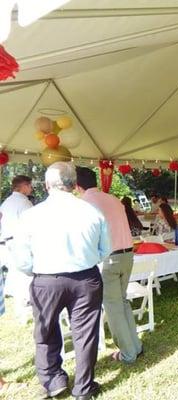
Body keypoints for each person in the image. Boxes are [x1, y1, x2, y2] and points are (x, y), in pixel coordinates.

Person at [13, 162, 111, 399]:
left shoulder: (31, 215)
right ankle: (84, 387)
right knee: (85, 333)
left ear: (47, 185)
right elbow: (105, 249)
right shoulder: (92, 211)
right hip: (86, 278)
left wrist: (34, 272)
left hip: (46, 279)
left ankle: (52, 379)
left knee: (45, 331)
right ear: (73, 185)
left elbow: (22, 259)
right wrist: (86, 259)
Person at [76, 167, 143, 365]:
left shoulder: (85, 204)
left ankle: (128, 352)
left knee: (113, 307)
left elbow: (87, 237)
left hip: (109, 259)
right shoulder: (113, 198)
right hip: (127, 255)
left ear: (77, 186)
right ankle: (135, 346)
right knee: (122, 302)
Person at [0, 175, 33, 323]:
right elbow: (31, 224)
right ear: (23, 186)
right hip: (20, 242)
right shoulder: (24, 202)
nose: (31, 188)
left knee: (17, 275)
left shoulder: (6, 202)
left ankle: (20, 308)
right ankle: (25, 307)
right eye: (30, 185)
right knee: (25, 276)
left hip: (7, 242)